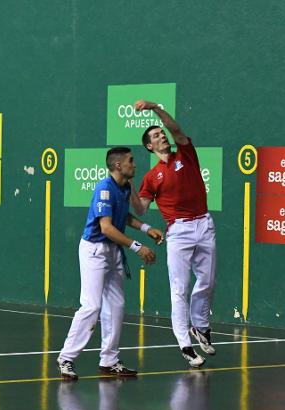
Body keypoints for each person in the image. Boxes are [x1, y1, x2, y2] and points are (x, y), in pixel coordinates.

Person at [57, 147, 164, 380]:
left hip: (114, 251)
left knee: (116, 305)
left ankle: (109, 360)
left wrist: (147, 229)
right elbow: (106, 227)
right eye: (131, 161)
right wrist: (137, 246)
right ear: (118, 165)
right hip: (94, 250)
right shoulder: (104, 188)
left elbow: (124, 216)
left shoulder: (125, 187)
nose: (134, 165)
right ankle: (66, 358)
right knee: (92, 306)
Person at [130, 99, 216, 368]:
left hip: (204, 223)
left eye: (161, 133)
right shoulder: (152, 177)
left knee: (208, 280)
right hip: (178, 232)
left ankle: (200, 326)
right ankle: (185, 344)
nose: (162, 136)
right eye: (155, 136)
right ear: (149, 146)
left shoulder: (186, 154)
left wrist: (155, 108)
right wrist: (130, 185)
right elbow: (142, 209)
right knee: (179, 289)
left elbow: (176, 129)